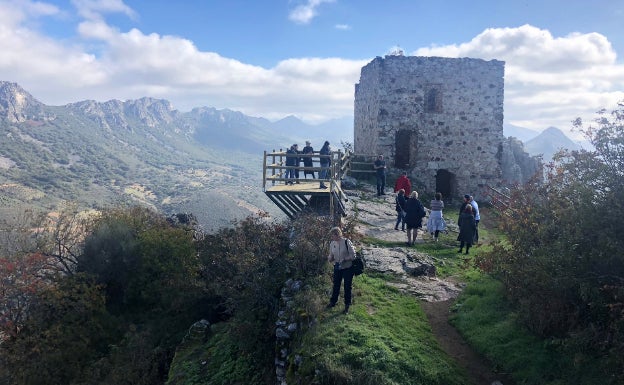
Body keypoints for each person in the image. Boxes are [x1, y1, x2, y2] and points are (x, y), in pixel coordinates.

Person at [326, 227, 356, 314]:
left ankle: (347, 306)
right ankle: (333, 302)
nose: (332, 237)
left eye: (333, 235)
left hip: (347, 268)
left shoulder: (347, 242)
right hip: (337, 267)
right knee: (336, 285)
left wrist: (345, 259)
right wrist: (330, 258)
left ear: (337, 234)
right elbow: (331, 255)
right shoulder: (332, 243)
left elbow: (353, 255)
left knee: (347, 287)